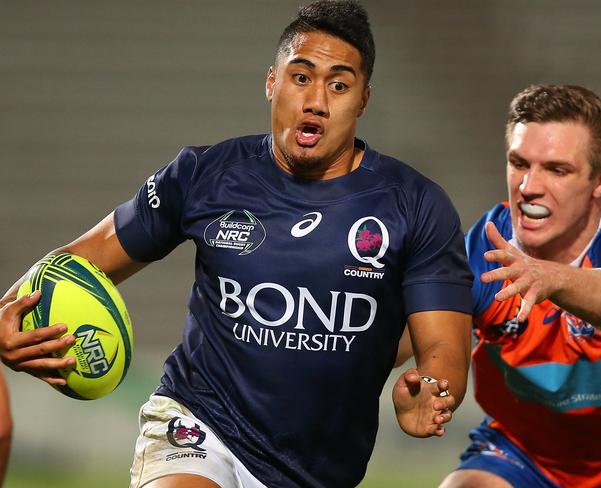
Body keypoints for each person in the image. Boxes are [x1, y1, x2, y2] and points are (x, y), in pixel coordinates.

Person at [0, 1, 474, 487]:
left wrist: (432, 388)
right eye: (301, 77)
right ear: (272, 82)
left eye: (338, 84)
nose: (316, 101)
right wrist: (7, 314)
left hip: (318, 470)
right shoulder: (206, 175)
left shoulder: (415, 207)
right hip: (198, 426)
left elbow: (444, 344)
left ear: (363, 99)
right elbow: (84, 257)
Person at [437, 84, 601, 487]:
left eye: (557, 169)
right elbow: (419, 326)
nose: (529, 187)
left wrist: (554, 277)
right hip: (527, 457)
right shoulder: (487, 244)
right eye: (519, 163)